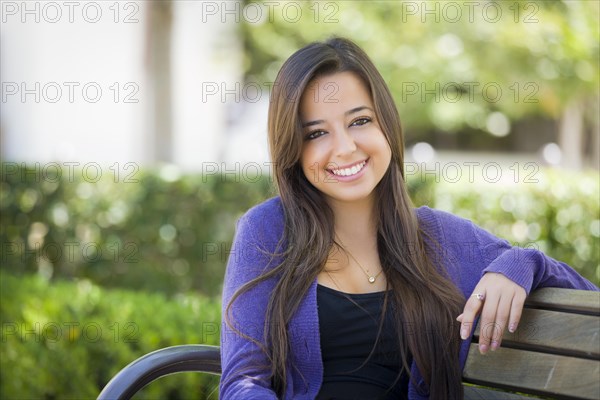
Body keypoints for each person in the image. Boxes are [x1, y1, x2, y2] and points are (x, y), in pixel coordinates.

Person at [219, 37, 598, 400]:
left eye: (359, 121)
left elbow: (587, 299)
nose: (345, 148)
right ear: (293, 148)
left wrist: (520, 262)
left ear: (386, 123)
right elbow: (243, 382)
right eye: (316, 133)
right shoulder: (267, 231)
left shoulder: (440, 238)